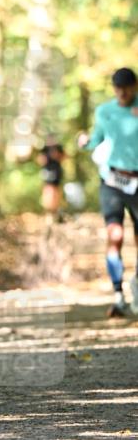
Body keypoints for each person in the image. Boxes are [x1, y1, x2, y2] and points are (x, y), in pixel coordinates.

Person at [78, 66, 138, 318]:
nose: (122, 92)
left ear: (134, 87)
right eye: (117, 88)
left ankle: (136, 288)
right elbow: (96, 139)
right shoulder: (104, 111)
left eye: (126, 87)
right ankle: (118, 294)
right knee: (114, 234)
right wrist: (84, 142)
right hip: (112, 180)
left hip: (137, 182)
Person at [36, 135, 66, 225]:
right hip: (47, 173)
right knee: (48, 192)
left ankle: (55, 211)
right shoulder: (44, 149)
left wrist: (57, 156)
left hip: (57, 173)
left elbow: (64, 156)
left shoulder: (58, 147)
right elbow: (40, 159)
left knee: (56, 193)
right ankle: (49, 212)